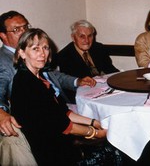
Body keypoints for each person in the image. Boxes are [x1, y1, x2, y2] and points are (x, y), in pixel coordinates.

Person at [11, 28, 122, 165]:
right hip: (50, 153)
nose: (42, 54)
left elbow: (63, 112)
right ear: (22, 53)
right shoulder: (26, 83)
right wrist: (94, 133)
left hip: (60, 143)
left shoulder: (38, 79)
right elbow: (62, 125)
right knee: (115, 152)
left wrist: (94, 122)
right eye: (35, 49)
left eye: (45, 48)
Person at [0, 11, 95, 165]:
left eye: (25, 27)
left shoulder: (36, 70)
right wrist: (1, 113)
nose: (24, 31)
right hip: (47, 141)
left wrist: (93, 123)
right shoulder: (9, 66)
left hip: (57, 120)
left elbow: (56, 79)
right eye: (17, 29)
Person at [54, 20, 119, 78]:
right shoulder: (64, 56)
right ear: (73, 38)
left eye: (90, 36)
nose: (87, 41)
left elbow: (110, 70)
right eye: (82, 36)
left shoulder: (99, 48)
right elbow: (72, 83)